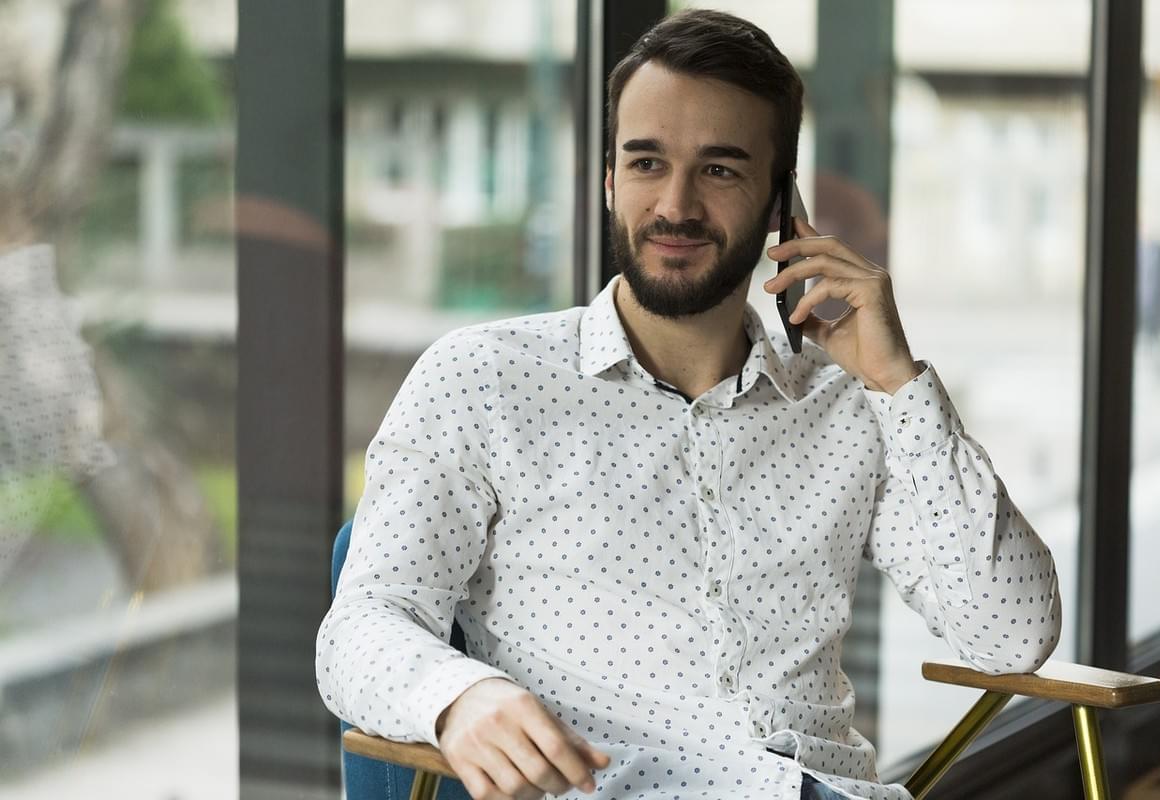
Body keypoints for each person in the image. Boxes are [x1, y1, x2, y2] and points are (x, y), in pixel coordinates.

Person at [316, 10, 1061, 800]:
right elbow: (362, 625)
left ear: (780, 202)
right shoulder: (484, 380)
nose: (676, 205)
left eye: (720, 170)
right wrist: (460, 697)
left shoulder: (849, 406)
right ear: (610, 179)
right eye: (646, 162)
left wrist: (899, 384)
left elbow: (1012, 637)